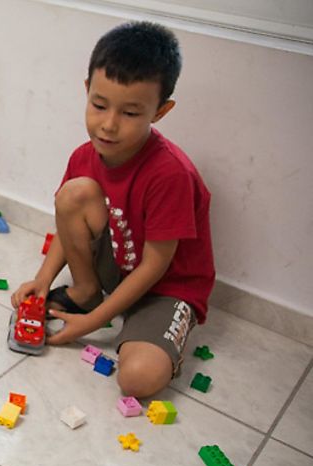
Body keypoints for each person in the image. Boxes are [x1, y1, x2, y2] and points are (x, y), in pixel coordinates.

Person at [12, 21, 214, 399]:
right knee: (73, 194)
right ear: (87, 90)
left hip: (166, 288)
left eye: (131, 113)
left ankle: (160, 329)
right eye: (99, 105)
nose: (108, 125)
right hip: (118, 270)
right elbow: (66, 218)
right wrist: (43, 279)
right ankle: (87, 289)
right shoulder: (84, 157)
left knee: (136, 380)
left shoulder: (170, 173)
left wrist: (92, 322)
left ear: (160, 111)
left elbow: (156, 265)